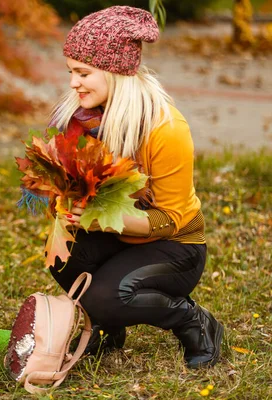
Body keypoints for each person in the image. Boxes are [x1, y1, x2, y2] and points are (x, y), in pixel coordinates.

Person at [46, 6, 223, 369]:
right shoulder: (82, 119)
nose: (73, 83)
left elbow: (172, 219)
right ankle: (108, 327)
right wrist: (66, 207)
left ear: (116, 72)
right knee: (62, 257)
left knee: (105, 295)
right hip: (117, 234)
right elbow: (64, 191)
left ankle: (194, 322)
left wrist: (105, 217)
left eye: (83, 73)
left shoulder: (165, 129)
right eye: (70, 72)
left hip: (174, 246)